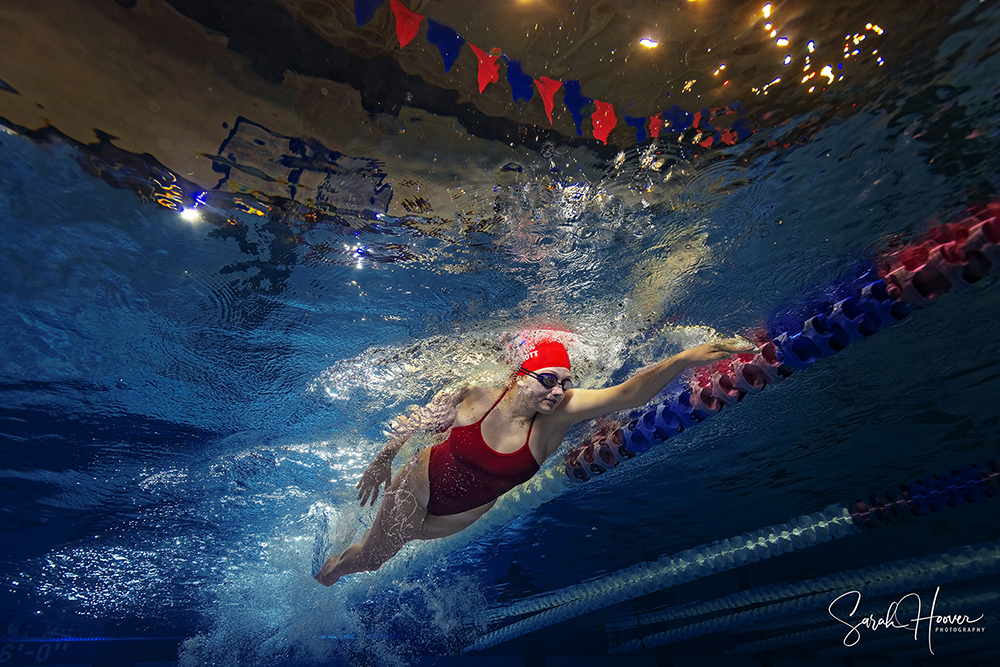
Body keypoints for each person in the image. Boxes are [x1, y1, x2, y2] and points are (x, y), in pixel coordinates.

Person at [315, 336, 754, 585]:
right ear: (520, 375)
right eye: (547, 380)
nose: (557, 392)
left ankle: (341, 555)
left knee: (375, 552)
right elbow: (419, 421)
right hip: (417, 490)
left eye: (565, 383)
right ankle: (326, 575)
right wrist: (384, 458)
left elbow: (630, 394)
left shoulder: (557, 418)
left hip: (451, 519)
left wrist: (685, 357)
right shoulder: (478, 396)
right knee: (371, 559)